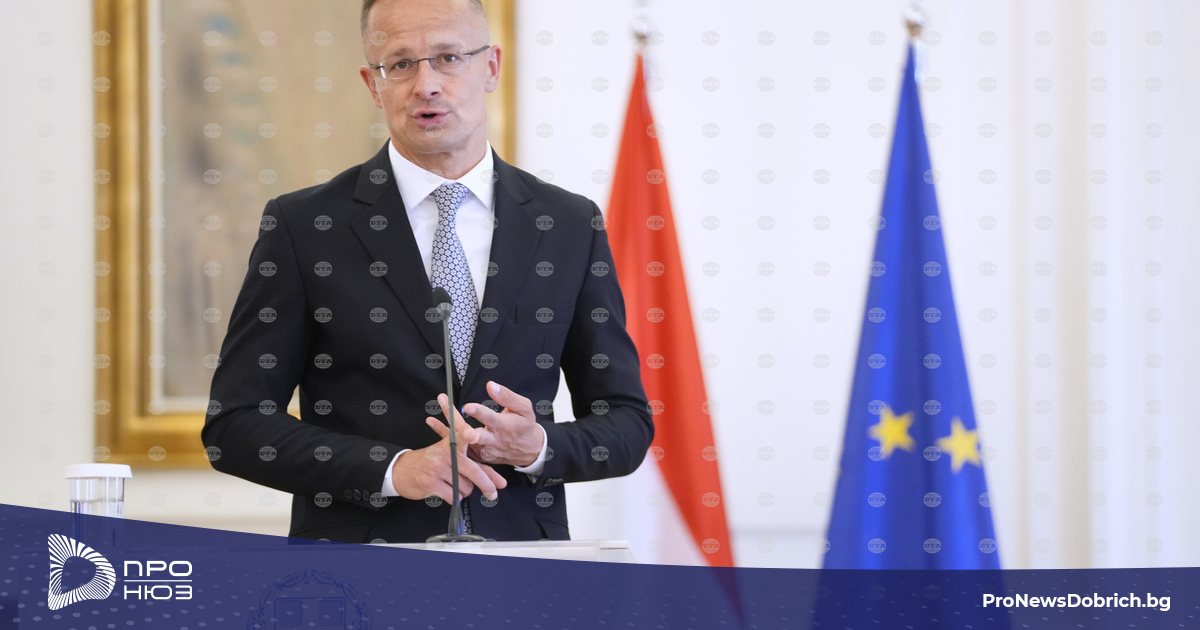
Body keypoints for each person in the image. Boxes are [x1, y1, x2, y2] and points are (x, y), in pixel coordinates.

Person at [201, 0, 653, 543]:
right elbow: (235, 425)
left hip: (523, 565)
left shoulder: (568, 224)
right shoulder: (305, 227)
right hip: (359, 566)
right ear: (373, 85)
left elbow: (627, 423)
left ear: (491, 67)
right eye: (400, 64)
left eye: (448, 58)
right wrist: (393, 471)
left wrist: (538, 448)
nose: (426, 85)